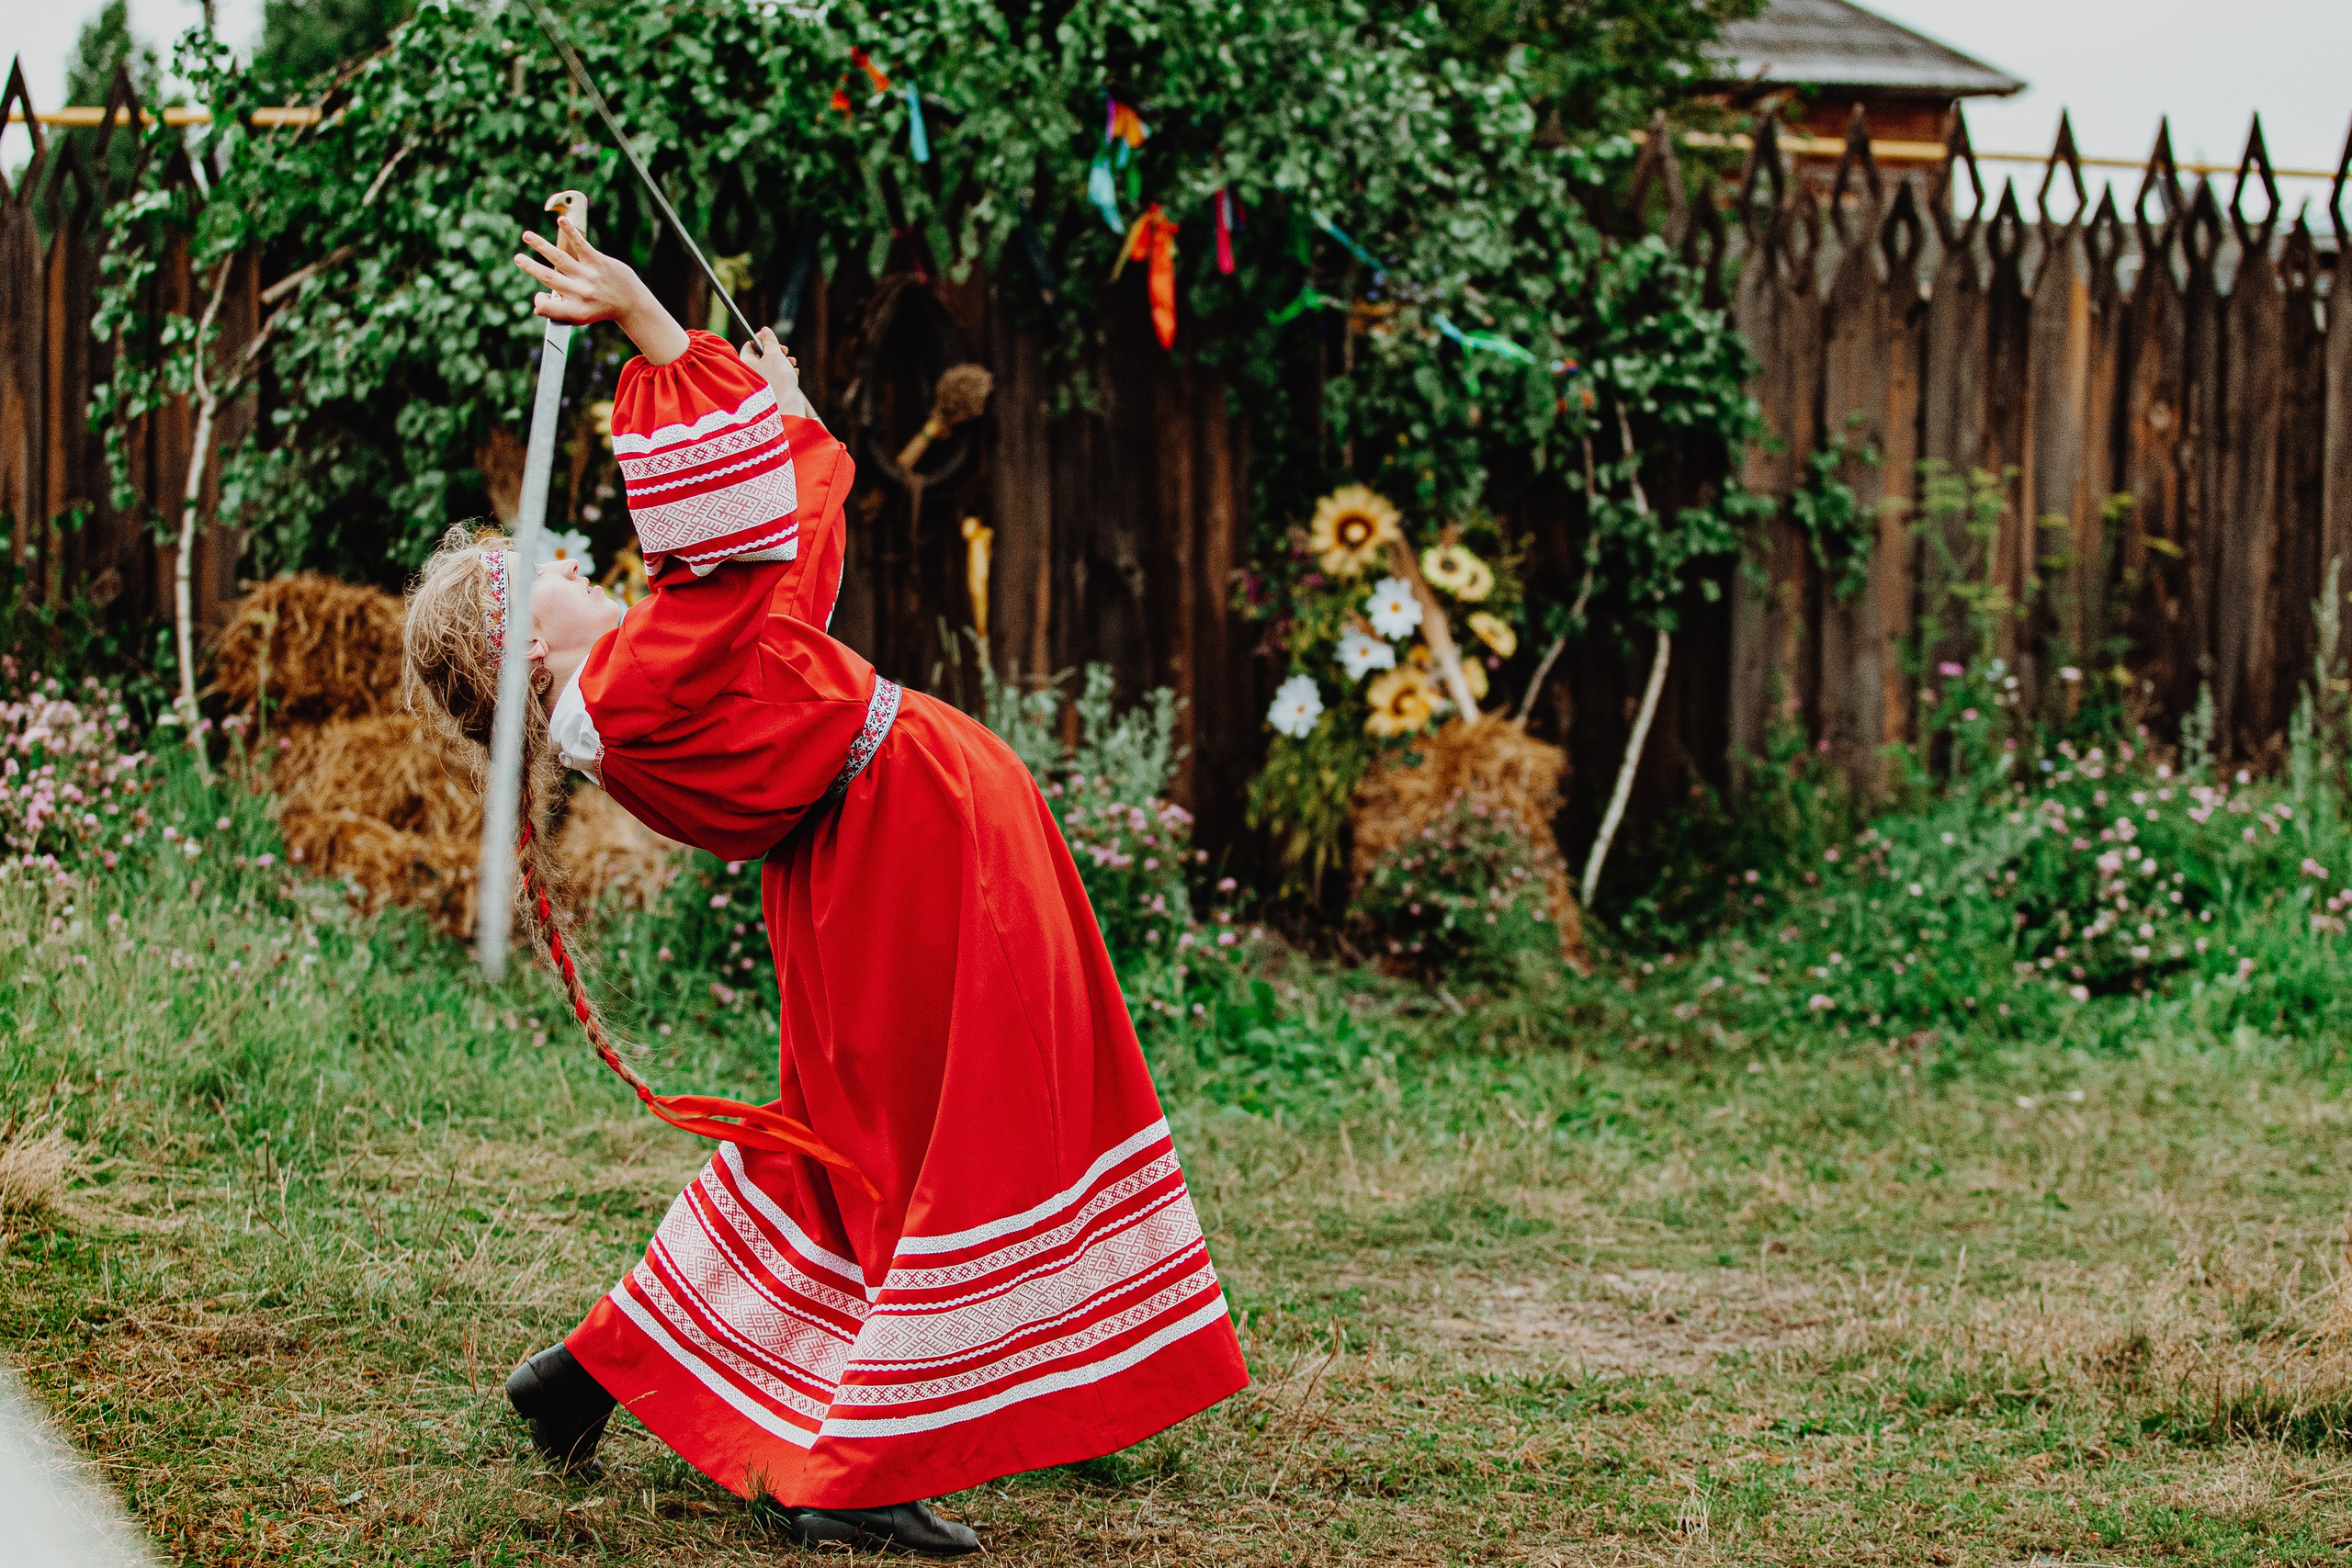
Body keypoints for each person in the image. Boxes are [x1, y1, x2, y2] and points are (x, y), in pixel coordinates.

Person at [399, 215, 1248, 1558]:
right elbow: (730, 560)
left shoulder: (642, 682)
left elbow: (774, 580)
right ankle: (857, 1467)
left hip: (887, 846)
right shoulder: (624, 690)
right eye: (540, 583)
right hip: (904, 845)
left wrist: (780, 420)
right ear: (527, 662)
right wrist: (653, 329)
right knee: (953, 1125)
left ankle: (593, 1372)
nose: (568, 569)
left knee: (861, 1140)